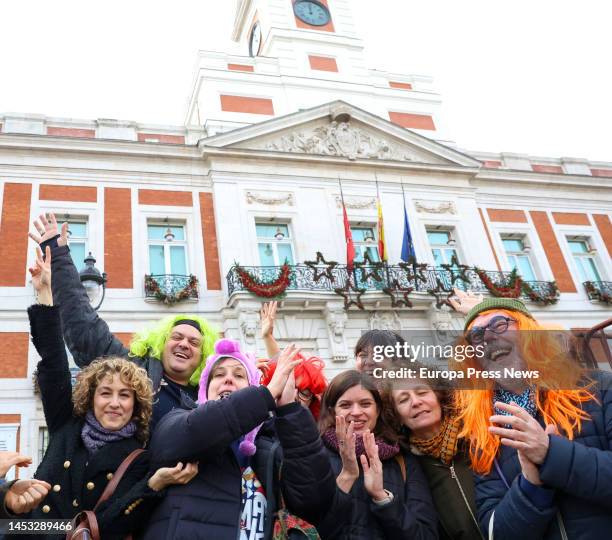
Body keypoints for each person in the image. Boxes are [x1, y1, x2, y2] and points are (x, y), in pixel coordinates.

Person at [18, 246, 198, 539]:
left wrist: (153, 485)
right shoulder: (66, 424)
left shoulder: (139, 455)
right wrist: (45, 295)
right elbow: (54, 363)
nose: (114, 403)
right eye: (105, 393)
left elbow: (114, 523)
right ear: (90, 397)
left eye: (125, 395)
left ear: (136, 403)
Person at [29, 212, 218, 429]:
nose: (184, 344)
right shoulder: (132, 371)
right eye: (177, 337)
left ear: (203, 355)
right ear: (160, 344)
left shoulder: (210, 395)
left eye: (194, 343)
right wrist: (59, 257)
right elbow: (84, 329)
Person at [142, 338, 334, 540]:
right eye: (219, 374)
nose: (228, 379)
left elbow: (315, 502)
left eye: (239, 375)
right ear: (204, 389)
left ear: (250, 386)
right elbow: (198, 429)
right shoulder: (177, 420)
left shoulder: (270, 444)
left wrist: (290, 410)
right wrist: (265, 395)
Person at [454, 297, 612, 539]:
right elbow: (495, 532)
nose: (487, 338)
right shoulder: (485, 433)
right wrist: (530, 485)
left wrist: (551, 454)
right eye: (476, 336)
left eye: (499, 324)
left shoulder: (598, 387)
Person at [314, 370, 438, 540]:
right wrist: (346, 478)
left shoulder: (402, 460)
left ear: (378, 410)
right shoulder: (316, 455)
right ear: (332, 411)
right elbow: (309, 529)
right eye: (345, 405)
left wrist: (382, 498)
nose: (356, 412)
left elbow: (425, 535)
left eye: (365, 404)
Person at [387, 360, 483, 540]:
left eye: (422, 392)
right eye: (404, 399)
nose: (415, 402)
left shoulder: (478, 435)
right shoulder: (410, 468)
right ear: (397, 416)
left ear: (439, 396)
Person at [259, 301, 328, 419]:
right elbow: (280, 369)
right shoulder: (261, 428)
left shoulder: (318, 431)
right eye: (288, 387)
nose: (294, 396)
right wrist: (268, 338)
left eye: (304, 393)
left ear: (313, 400)